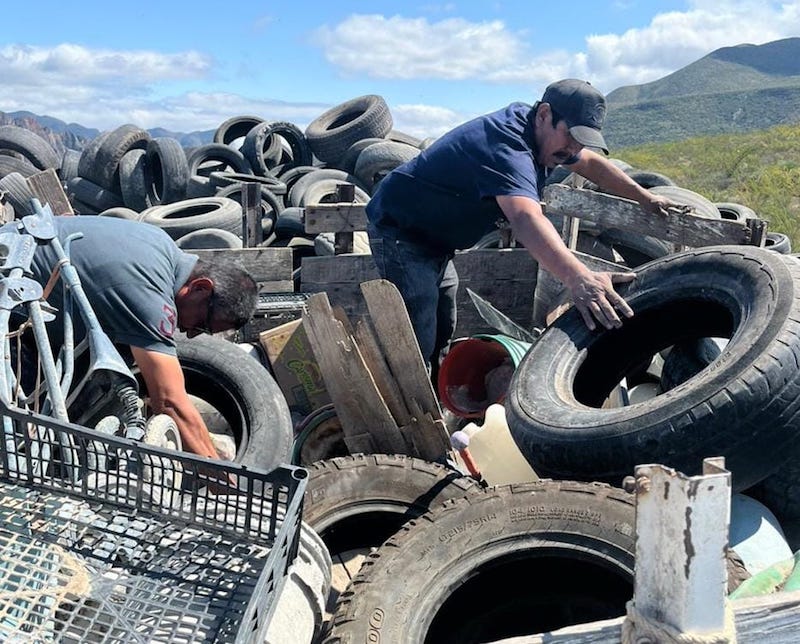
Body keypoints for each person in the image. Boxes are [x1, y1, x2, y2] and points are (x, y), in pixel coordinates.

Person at [366, 78, 689, 371]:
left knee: (442, 325)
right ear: (545, 115)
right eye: (572, 137)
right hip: (401, 234)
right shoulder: (506, 147)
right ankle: (408, 417)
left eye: (583, 140)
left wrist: (644, 197)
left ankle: (436, 396)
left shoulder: (546, 137)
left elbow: (591, 163)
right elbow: (525, 218)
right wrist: (579, 278)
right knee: (415, 335)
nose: (574, 149)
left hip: (436, 241)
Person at [23, 214, 258, 461]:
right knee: (26, 439)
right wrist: (216, 475)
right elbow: (169, 401)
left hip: (22, 258)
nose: (190, 333)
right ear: (200, 288)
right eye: (202, 325)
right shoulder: (151, 299)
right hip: (12, 295)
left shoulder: (160, 243)